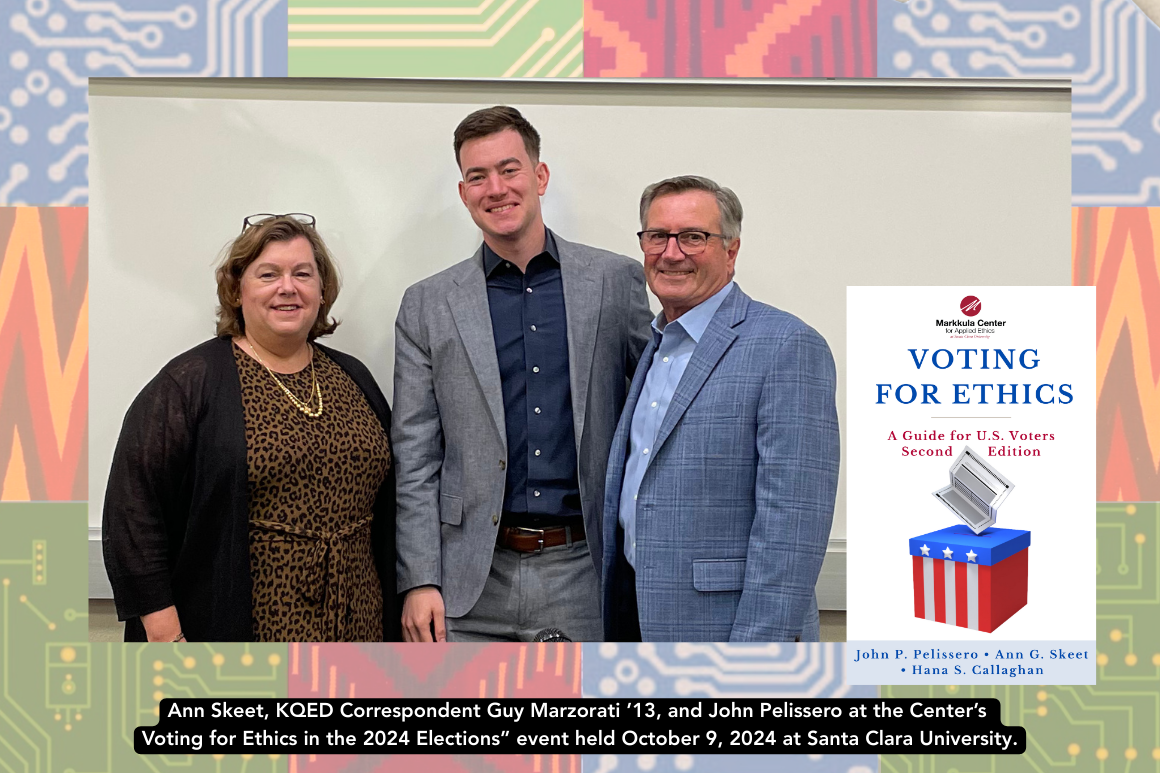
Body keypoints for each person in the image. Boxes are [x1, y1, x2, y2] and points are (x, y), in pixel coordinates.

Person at [393, 106, 652, 642]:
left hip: (583, 572)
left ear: (540, 176)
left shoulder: (614, 281)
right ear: (464, 193)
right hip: (466, 584)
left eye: (509, 170)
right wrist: (419, 579)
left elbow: (657, 412)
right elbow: (415, 454)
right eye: (477, 176)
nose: (496, 188)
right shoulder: (427, 304)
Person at [102, 214, 399, 642]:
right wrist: (164, 634)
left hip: (359, 627)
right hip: (237, 634)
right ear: (237, 290)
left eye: (303, 274)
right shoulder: (190, 383)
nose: (287, 287)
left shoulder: (353, 377)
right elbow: (133, 509)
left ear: (321, 291)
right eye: (268, 274)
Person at [602, 176, 840, 642]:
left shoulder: (787, 345)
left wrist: (752, 661)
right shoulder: (654, 347)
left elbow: (793, 523)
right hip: (634, 620)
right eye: (657, 236)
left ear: (731, 251)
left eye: (693, 237)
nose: (671, 253)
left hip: (727, 635)